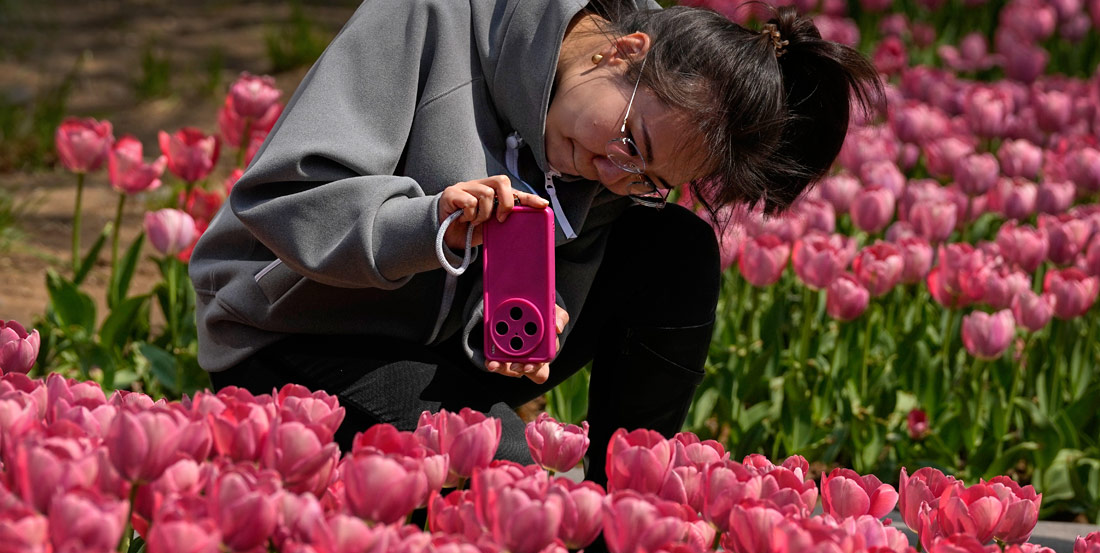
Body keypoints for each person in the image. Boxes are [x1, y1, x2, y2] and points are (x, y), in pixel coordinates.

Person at [189, 0, 883, 489]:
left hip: (457, 347)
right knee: (510, 492)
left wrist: (539, 306)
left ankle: (631, 497)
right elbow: (281, 197)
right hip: (309, 330)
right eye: (628, 145)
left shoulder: (617, 139)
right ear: (624, 49)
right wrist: (430, 222)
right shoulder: (429, 16)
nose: (613, 174)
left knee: (675, 248)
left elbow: (583, 236)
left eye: (649, 178)